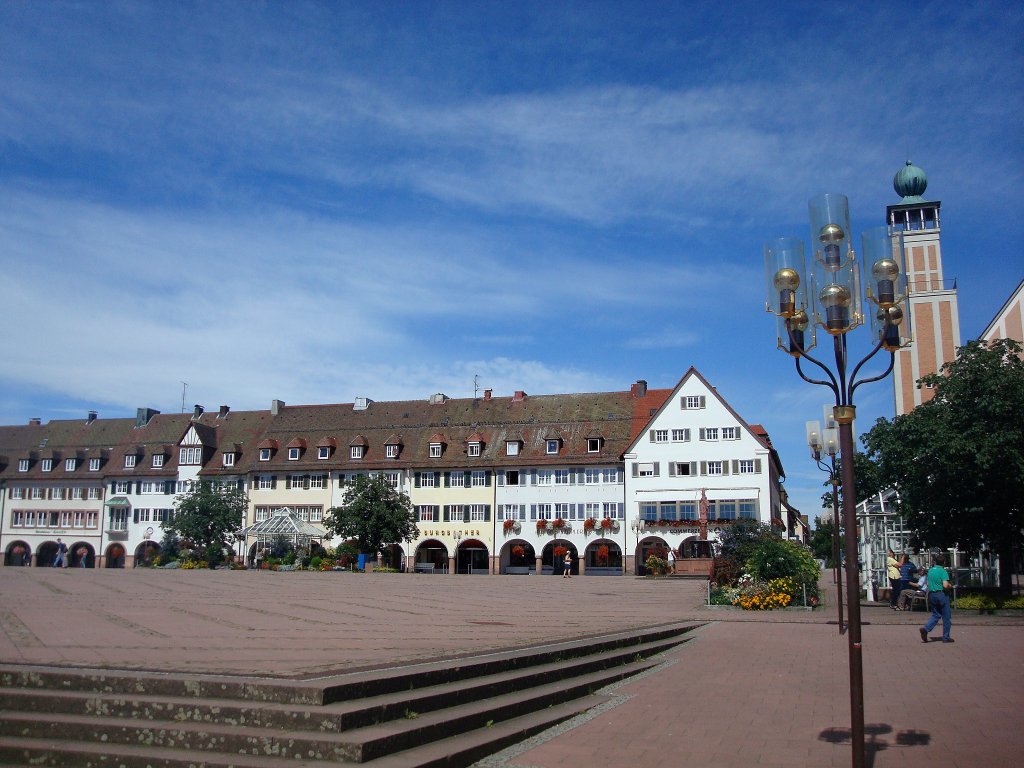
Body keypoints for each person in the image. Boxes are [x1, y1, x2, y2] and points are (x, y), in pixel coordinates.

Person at [921, 554, 954, 643]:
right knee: (946, 617)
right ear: (944, 562)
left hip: (931, 594)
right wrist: (950, 585)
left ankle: (926, 628)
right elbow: (945, 585)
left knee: (936, 614)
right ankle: (946, 637)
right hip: (941, 594)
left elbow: (927, 584)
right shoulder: (943, 571)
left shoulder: (931, 570)